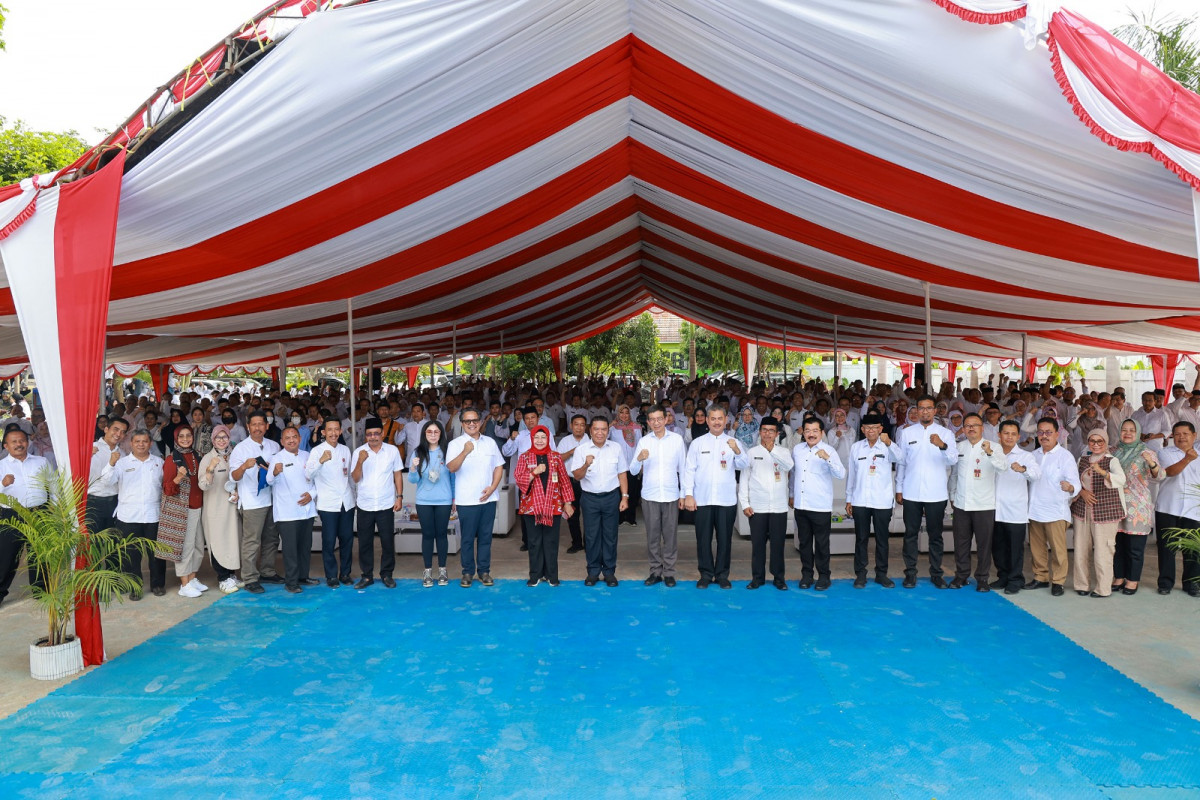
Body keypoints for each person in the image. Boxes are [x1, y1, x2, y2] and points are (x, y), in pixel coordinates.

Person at [894, 395, 958, 588]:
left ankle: (936, 573)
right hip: (911, 492)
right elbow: (902, 463)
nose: (925, 412)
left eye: (929, 408)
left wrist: (942, 446)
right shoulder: (906, 433)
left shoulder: (945, 434)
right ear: (917, 410)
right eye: (921, 408)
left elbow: (953, 460)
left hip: (936, 493)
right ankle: (910, 573)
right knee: (910, 535)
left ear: (935, 411)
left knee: (935, 535)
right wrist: (899, 489)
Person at [682, 406, 747, 589]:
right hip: (702, 499)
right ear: (708, 421)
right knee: (703, 539)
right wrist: (688, 494)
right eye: (713, 418)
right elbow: (690, 470)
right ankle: (705, 573)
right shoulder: (698, 443)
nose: (717, 422)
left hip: (726, 500)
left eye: (720, 418)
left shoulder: (734, 442)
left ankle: (722, 575)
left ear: (726, 419)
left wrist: (737, 451)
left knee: (725, 539)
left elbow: (743, 465)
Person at [100, 430, 165, 599]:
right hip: (128, 516)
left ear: (150, 443)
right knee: (131, 555)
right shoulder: (121, 463)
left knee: (156, 554)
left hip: (153, 515)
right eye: (137, 441)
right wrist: (111, 464)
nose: (141, 444)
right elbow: (107, 481)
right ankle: (135, 587)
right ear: (131, 443)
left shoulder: (159, 463)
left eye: (144, 441)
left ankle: (158, 584)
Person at [948, 413, 1009, 591]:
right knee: (961, 542)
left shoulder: (994, 447)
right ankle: (961, 576)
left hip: (984, 504)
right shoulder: (959, 447)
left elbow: (1003, 467)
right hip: (961, 503)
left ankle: (982, 578)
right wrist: (952, 495)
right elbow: (954, 474)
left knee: (984, 544)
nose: (971, 428)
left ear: (982, 428)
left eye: (975, 425)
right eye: (967, 425)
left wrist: (989, 453)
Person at [447, 409, 505, 587]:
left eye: (475, 420)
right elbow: (451, 468)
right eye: (467, 421)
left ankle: (484, 571)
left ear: (480, 422)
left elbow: (498, 466)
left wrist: (493, 487)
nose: (471, 424)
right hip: (466, 500)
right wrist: (464, 452)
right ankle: (467, 572)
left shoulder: (490, 442)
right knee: (467, 538)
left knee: (486, 537)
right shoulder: (456, 444)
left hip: (488, 498)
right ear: (462, 424)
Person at [629, 404, 686, 587]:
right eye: (652, 419)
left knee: (670, 537)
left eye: (659, 419)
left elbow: (683, 470)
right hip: (650, 496)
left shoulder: (677, 440)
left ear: (666, 419)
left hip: (671, 495)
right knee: (652, 536)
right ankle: (655, 571)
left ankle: (669, 572)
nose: (656, 422)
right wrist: (639, 459)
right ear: (648, 421)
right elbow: (632, 470)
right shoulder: (644, 442)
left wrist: (684, 495)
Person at [844, 414, 902, 588]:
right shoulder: (856, 448)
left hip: (882, 501)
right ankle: (860, 574)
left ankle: (881, 574)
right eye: (867, 428)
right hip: (860, 500)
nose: (871, 431)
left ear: (880, 429)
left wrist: (889, 442)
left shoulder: (887, 446)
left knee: (882, 539)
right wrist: (849, 499)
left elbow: (901, 459)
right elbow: (851, 475)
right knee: (861, 538)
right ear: (862, 430)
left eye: (875, 427)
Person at [570, 416, 629, 587]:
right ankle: (593, 571)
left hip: (611, 497)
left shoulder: (616, 448)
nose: (600, 432)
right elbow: (577, 476)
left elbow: (622, 473)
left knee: (610, 536)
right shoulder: (581, 450)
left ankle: (609, 572)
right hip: (589, 498)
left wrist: (624, 496)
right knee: (591, 536)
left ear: (608, 431)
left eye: (603, 429)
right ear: (591, 430)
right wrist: (586, 465)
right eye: (596, 429)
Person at [229, 410, 284, 594]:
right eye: (254, 424)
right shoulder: (241, 448)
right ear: (248, 427)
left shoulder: (274, 446)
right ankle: (250, 577)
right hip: (252, 501)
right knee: (251, 541)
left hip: (273, 499)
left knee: (271, 539)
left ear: (267, 426)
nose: (258, 428)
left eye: (261, 424)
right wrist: (244, 466)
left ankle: (267, 571)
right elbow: (234, 476)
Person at [1026, 417, 1081, 597]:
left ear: (1057, 434)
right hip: (1035, 510)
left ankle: (1058, 581)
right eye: (1040, 432)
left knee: (1058, 550)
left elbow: (1075, 482)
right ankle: (1040, 577)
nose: (1044, 436)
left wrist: (1071, 487)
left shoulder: (1065, 456)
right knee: (1037, 548)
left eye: (1048, 432)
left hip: (1056, 511)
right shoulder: (1033, 455)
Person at [1069, 427, 1126, 597]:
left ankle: (1103, 588)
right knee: (1080, 549)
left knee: (1103, 552)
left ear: (1106, 442)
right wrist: (1082, 492)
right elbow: (1074, 481)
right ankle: (1081, 585)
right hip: (1082, 510)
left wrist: (1102, 472)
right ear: (1088, 442)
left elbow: (1121, 479)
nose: (1095, 444)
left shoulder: (1112, 460)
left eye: (1099, 441)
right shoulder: (1082, 459)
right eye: (1092, 441)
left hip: (1106, 512)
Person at [514, 425, 575, 586]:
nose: (540, 441)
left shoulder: (555, 457)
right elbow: (519, 480)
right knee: (534, 542)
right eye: (536, 438)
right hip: (531, 507)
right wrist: (534, 473)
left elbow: (564, 481)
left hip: (553, 506)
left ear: (548, 439)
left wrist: (568, 502)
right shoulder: (525, 457)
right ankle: (535, 575)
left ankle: (551, 575)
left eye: (543, 437)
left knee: (551, 542)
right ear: (531, 439)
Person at [790, 416, 846, 590]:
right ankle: (807, 575)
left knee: (822, 544)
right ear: (803, 432)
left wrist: (827, 458)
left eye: (815, 431)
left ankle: (824, 576)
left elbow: (841, 474)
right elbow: (793, 474)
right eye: (807, 431)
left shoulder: (829, 450)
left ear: (822, 432)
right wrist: (791, 495)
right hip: (801, 505)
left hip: (820, 506)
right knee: (804, 543)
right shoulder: (797, 449)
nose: (811, 434)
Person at [0, 426, 51, 607]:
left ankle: (41, 591)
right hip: (12, 515)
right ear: (6, 446)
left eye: (22, 440)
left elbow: (53, 485)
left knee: (40, 554)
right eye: (14, 442)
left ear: (28, 442)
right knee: (7, 556)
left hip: (39, 512)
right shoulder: (1, 466)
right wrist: (2, 484)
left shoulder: (41, 462)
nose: (19, 444)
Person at [739, 417, 793, 589]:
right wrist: (745, 504)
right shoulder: (751, 452)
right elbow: (744, 479)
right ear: (760, 432)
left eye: (771, 431)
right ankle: (757, 578)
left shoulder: (783, 452)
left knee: (778, 545)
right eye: (764, 430)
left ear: (777, 434)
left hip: (779, 507)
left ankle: (779, 578)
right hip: (757, 507)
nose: (767, 434)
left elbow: (788, 466)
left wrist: (772, 452)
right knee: (758, 545)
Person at [351, 417, 404, 589]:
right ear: (365, 436)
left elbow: (397, 474)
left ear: (382, 434)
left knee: (387, 541)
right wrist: (360, 461)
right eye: (369, 434)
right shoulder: (359, 452)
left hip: (386, 503)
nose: (373, 437)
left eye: (376, 433)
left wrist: (400, 496)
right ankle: (367, 576)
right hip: (365, 504)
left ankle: (387, 574)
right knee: (365, 542)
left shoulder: (392, 451)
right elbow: (355, 478)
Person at [306, 419, 357, 588]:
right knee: (328, 541)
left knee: (347, 539)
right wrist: (321, 461)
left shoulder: (345, 449)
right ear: (323, 432)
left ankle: (345, 573)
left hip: (346, 502)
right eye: (330, 430)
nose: (333, 433)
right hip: (328, 503)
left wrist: (354, 497)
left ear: (341, 431)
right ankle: (331, 576)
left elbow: (349, 476)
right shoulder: (316, 451)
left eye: (336, 430)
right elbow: (308, 474)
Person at [267, 427, 319, 593]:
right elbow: (269, 481)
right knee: (290, 549)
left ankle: (303, 576)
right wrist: (275, 472)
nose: (291, 440)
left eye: (294, 437)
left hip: (306, 510)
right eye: (287, 438)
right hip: (287, 512)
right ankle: (291, 582)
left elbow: (316, 480)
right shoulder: (277, 458)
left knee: (305, 546)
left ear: (299, 438)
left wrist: (311, 494)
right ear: (282, 442)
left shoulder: (307, 455)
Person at [1111, 419, 1159, 595]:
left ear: (1138, 432)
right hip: (1115, 504)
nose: (1128, 433)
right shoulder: (1113, 451)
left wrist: (1152, 463)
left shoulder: (1146, 452)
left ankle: (1132, 580)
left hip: (1137, 507)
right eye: (1124, 429)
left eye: (1132, 430)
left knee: (1135, 548)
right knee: (1117, 546)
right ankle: (1119, 577)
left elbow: (1160, 475)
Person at [159, 426, 208, 598]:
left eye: (188, 436)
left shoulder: (197, 456)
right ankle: (184, 584)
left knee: (198, 547)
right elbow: (167, 489)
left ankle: (192, 578)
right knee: (185, 549)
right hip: (183, 510)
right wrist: (179, 477)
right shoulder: (172, 459)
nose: (185, 439)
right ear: (175, 438)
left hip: (198, 507)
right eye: (181, 436)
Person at [992, 420, 1040, 594]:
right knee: (997, 546)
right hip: (995, 508)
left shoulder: (1026, 456)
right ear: (999, 435)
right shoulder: (992, 453)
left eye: (1013, 434)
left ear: (1019, 437)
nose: (1009, 437)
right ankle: (1003, 576)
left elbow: (1036, 475)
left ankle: (1015, 579)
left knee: (1014, 548)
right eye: (1006, 433)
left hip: (1015, 510)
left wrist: (1023, 469)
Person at [1155, 421, 1200, 596]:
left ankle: (1192, 584)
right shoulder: (1165, 452)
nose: (1181, 437)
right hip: (1168, 506)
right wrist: (1188, 458)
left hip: (1194, 509)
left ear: (1194, 436)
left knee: (1193, 549)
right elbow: (1170, 472)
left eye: (1185, 434)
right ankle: (1165, 583)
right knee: (1167, 548)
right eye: (1178, 434)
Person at [408, 420, 454, 587]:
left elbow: (453, 477)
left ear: (441, 434)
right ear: (424, 434)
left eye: (436, 432)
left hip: (444, 500)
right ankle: (427, 571)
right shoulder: (418, 452)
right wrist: (413, 468)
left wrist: (454, 499)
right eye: (429, 432)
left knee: (441, 534)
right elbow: (413, 480)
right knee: (427, 535)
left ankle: (442, 570)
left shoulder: (448, 451)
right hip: (424, 501)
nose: (433, 435)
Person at [198, 425, 240, 593]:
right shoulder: (208, 458)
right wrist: (210, 469)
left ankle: (231, 575)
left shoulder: (234, 456)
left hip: (232, 508)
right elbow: (203, 485)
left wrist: (238, 492)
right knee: (217, 543)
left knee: (232, 542)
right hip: (215, 510)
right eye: (218, 438)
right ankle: (222, 578)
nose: (222, 441)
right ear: (213, 440)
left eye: (225, 437)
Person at [86, 417, 128, 537]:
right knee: (93, 542)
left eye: (123, 432)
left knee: (112, 542)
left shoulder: (123, 454)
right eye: (115, 429)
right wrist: (87, 456)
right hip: (92, 501)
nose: (118, 434)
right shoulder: (90, 448)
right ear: (106, 429)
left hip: (114, 502)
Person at [557, 415, 589, 554]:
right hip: (570, 481)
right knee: (572, 514)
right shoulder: (565, 441)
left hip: (587, 481)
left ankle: (589, 543)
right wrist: (570, 452)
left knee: (589, 514)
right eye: (576, 424)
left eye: (582, 425)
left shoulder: (590, 440)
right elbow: (557, 460)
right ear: (571, 426)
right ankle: (576, 543)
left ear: (586, 427)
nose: (579, 427)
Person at [610, 404, 643, 525]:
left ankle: (630, 517)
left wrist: (640, 463)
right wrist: (609, 425)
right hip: (618, 466)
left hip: (633, 465)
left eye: (626, 413)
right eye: (621, 413)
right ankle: (620, 517)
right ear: (618, 414)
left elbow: (640, 445)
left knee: (633, 491)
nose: (624, 415)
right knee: (619, 492)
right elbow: (605, 439)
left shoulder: (636, 427)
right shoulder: (613, 428)